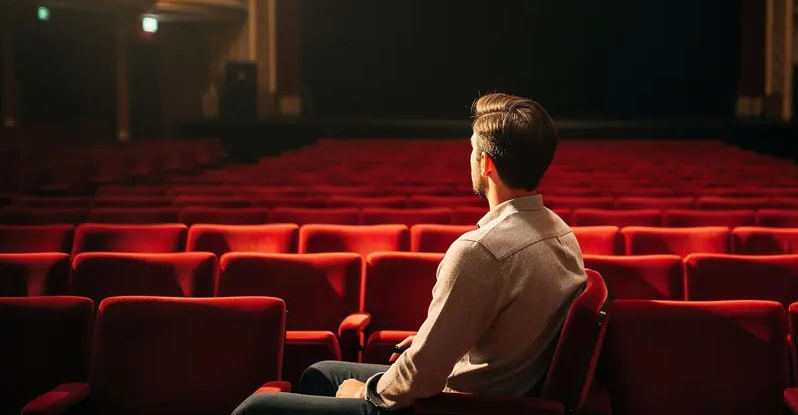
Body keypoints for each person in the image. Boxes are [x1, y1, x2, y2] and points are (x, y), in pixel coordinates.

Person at [233, 93, 586, 414]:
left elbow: (421, 377)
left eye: (472, 150)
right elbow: (512, 327)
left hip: (459, 404)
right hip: (502, 389)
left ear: (486, 164)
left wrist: (365, 393)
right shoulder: (561, 232)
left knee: (257, 408)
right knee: (320, 373)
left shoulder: (480, 251)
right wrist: (435, 339)